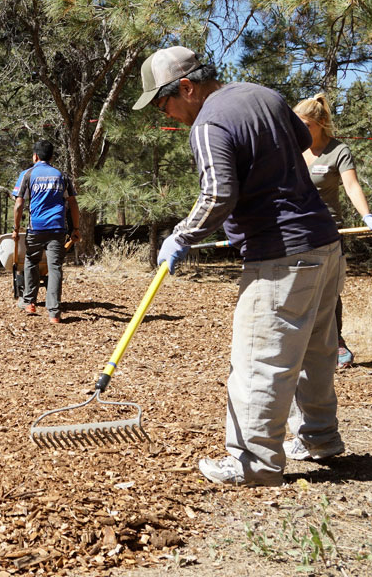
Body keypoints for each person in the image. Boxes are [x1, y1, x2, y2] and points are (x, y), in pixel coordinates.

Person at [137, 46, 344, 487]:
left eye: (163, 102)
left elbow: (216, 195)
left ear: (187, 88)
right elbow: (305, 141)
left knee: (259, 357)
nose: (166, 113)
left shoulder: (209, 123)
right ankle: (319, 438)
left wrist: (183, 235)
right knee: (316, 352)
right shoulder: (261, 93)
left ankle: (253, 460)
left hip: (280, 254)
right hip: (324, 244)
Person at [294, 93, 372, 368]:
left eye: (306, 126)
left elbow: (351, 186)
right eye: (296, 125)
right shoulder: (291, 149)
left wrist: (367, 216)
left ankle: (336, 343)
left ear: (321, 123)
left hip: (327, 231)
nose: (301, 131)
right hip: (294, 231)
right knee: (297, 290)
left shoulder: (338, 151)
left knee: (328, 291)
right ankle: (300, 346)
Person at [11, 141, 81, 324]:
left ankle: (29, 302)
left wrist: (16, 229)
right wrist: (76, 228)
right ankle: (54, 313)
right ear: (51, 157)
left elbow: (19, 204)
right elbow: (73, 203)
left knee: (31, 261)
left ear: (35, 156)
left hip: (36, 227)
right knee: (55, 267)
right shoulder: (62, 176)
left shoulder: (27, 174)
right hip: (58, 228)